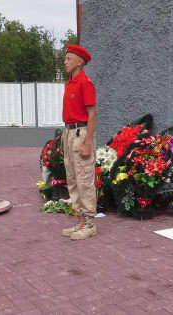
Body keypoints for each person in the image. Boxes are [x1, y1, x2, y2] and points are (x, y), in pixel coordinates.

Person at [61, 45, 98, 240]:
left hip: (81, 134)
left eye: (68, 58)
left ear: (79, 62)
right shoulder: (70, 83)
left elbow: (92, 114)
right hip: (69, 133)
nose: (65, 61)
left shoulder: (85, 82)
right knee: (73, 179)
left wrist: (87, 143)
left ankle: (90, 223)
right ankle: (81, 220)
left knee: (84, 179)